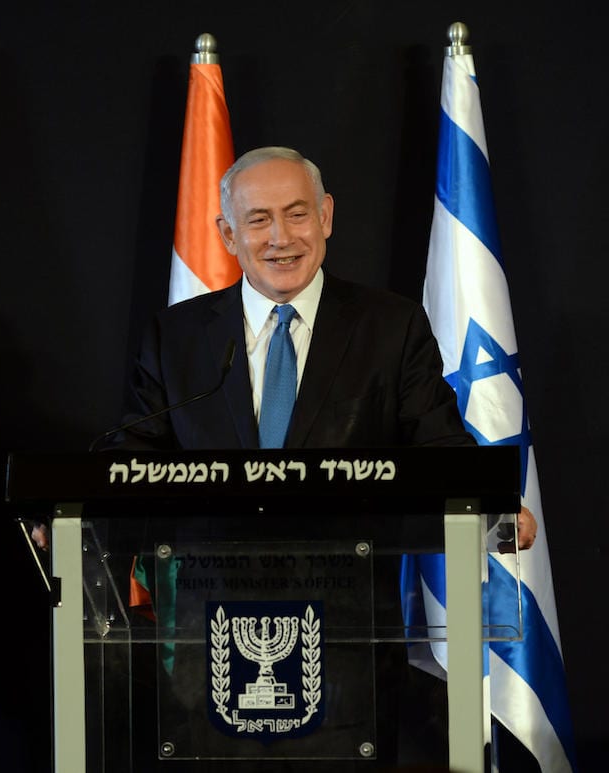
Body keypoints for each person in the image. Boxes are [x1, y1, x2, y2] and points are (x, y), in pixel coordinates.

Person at [116, 145, 535, 546]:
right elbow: (132, 461)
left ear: (325, 216)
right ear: (228, 234)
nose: (281, 238)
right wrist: (67, 513)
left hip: (351, 605)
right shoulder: (176, 337)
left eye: (297, 215)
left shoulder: (391, 326)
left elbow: (439, 444)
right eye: (259, 220)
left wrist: (491, 502)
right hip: (211, 602)